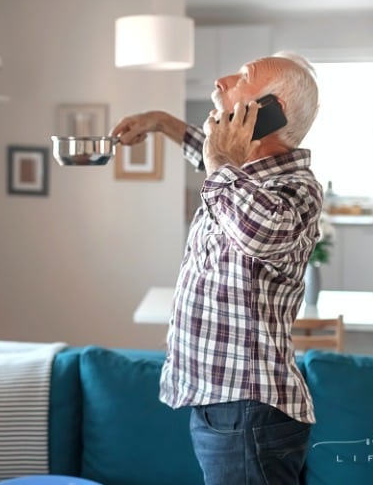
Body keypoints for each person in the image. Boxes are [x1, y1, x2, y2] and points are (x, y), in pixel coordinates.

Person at [110, 51, 322, 485]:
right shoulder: (242, 177)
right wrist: (161, 122)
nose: (221, 81)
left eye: (243, 77)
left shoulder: (295, 188)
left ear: (269, 113)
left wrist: (221, 163)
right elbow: (219, 167)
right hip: (228, 408)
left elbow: (256, 227)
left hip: (249, 412)